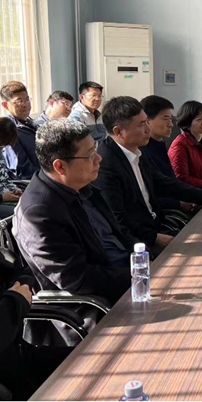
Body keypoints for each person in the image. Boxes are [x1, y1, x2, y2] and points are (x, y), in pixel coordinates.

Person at [13, 120, 133, 344]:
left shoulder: (80, 188)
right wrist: (138, 275)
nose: (99, 159)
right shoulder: (39, 211)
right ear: (60, 166)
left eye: (95, 150)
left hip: (121, 278)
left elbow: (118, 238)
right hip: (88, 309)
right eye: (89, 155)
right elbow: (77, 279)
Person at [94, 97, 202, 251]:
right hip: (137, 241)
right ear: (119, 131)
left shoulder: (136, 151)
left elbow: (164, 183)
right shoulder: (106, 164)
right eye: (142, 124)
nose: (148, 129)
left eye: (147, 122)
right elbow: (117, 219)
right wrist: (154, 238)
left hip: (154, 225)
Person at [0, 255, 71, 400]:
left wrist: (20, 287)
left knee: (101, 362)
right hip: (9, 383)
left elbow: (19, 272)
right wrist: (15, 302)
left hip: (21, 357)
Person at [140, 95, 194, 214]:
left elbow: (171, 182)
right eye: (166, 119)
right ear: (147, 121)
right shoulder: (141, 152)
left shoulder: (159, 144)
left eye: (171, 119)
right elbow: (151, 195)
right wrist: (179, 204)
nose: (171, 124)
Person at [168, 100, 202, 192]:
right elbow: (182, 178)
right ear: (187, 122)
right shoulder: (179, 145)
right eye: (199, 119)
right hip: (191, 194)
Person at [0, 80, 39, 179]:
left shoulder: (30, 123)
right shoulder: (8, 130)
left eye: (27, 99)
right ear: (5, 105)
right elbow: (21, 168)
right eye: (19, 101)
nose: (25, 104)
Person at [0, 118, 23, 218]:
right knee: (21, 214)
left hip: (5, 195)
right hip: (2, 200)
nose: (2, 148)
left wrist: (14, 190)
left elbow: (4, 178)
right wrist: (2, 197)